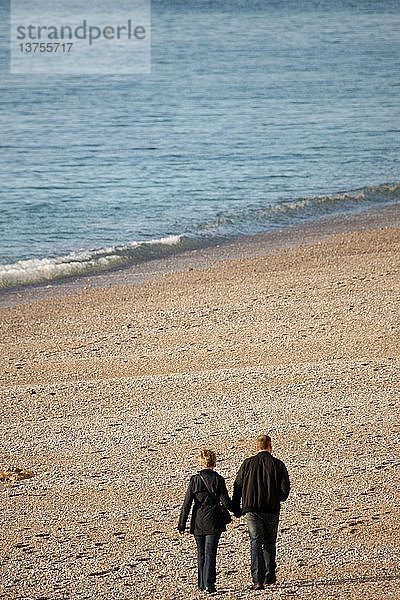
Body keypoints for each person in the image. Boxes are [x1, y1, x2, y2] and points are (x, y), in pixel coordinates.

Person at [232, 434, 290, 590]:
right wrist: (276, 496)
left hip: (252, 510)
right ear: (270, 446)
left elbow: (237, 486)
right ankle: (269, 576)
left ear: (256, 447)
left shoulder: (247, 463)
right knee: (270, 542)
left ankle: (258, 580)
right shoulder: (278, 464)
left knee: (256, 542)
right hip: (271, 509)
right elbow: (285, 491)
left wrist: (236, 508)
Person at [178, 449, 235, 594]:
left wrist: (181, 524)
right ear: (214, 462)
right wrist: (238, 511)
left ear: (201, 461)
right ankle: (209, 584)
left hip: (198, 520)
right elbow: (226, 502)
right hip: (213, 520)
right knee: (210, 553)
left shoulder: (194, 479)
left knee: (201, 553)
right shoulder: (218, 479)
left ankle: (202, 583)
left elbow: (187, 504)